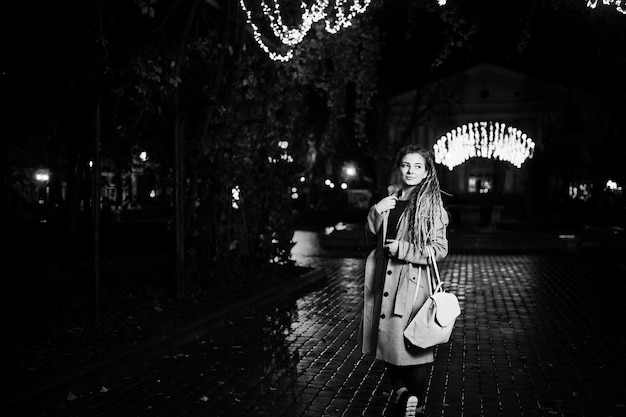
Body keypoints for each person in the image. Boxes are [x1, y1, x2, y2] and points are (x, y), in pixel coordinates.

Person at [359, 144, 449, 417]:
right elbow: (368, 238)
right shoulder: (390, 198)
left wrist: (404, 249)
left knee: (410, 351)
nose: (411, 171)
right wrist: (376, 210)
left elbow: (439, 249)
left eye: (417, 166)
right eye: (406, 165)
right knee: (386, 344)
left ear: (426, 171)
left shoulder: (430, 205)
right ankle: (402, 394)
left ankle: (416, 405)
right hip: (381, 282)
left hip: (410, 286)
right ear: (399, 168)